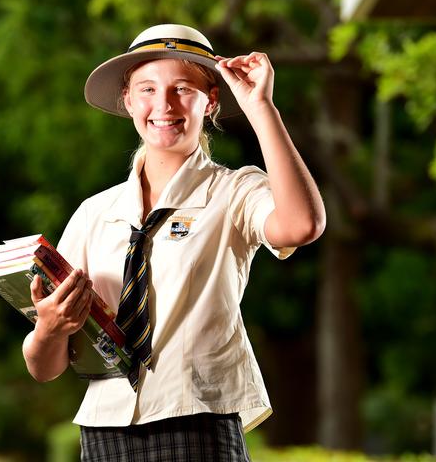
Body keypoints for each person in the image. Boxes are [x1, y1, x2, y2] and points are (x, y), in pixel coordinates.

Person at [22, 24, 326, 461]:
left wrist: (260, 108)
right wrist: (50, 328)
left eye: (182, 88)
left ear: (212, 99)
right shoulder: (95, 214)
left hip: (197, 420)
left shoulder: (235, 191)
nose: (163, 105)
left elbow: (302, 225)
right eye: (147, 89)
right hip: (105, 429)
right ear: (128, 100)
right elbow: (45, 368)